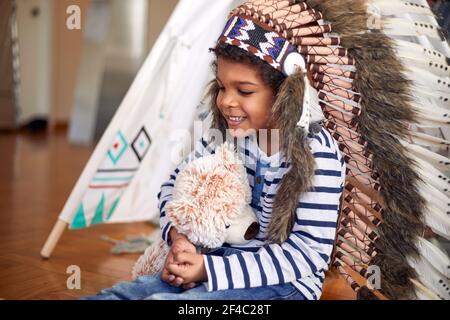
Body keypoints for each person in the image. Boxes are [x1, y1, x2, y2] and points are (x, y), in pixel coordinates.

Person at [82, 0, 346, 300]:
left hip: (282, 285)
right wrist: (179, 239)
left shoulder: (317, 154)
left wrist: (208, 270)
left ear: (286, 91)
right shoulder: (225, 135)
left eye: (244, 91)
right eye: (221, 86)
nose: (226, 102)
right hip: (215, 261)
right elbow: (173, 186)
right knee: (127, 293)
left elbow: (308, 253)